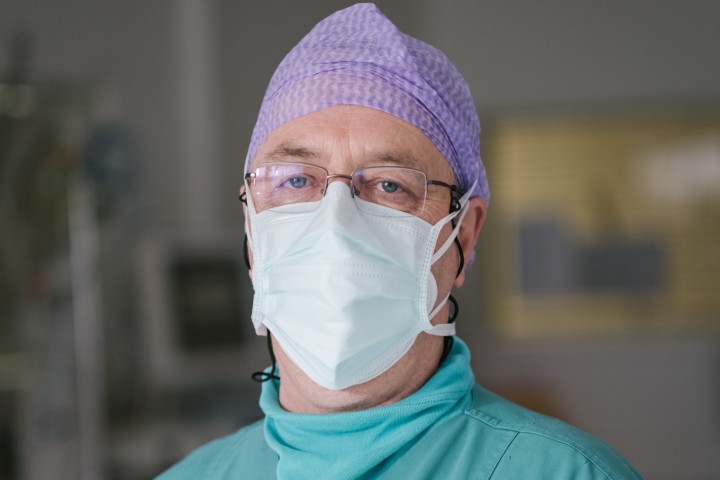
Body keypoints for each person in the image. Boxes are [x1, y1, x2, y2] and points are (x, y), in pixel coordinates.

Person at [158, 3, 642, 479]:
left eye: (390, 185)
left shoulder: (567, 473)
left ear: (463, 237)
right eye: (296, 181)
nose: (336, 227)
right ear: (251, 228)